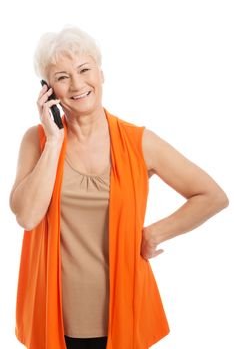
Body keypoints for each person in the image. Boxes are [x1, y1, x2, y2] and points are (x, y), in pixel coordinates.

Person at [9, 25, 229, 349]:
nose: (78, 84)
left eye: (84, 69)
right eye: (62, 76)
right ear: (48, 90)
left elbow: (212, 196)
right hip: (54, 318)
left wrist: (155, 233)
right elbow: (27, 217)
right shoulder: (38, 140)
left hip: (123, 314)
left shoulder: (138, 142)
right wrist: (54, 141)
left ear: (101, 73)